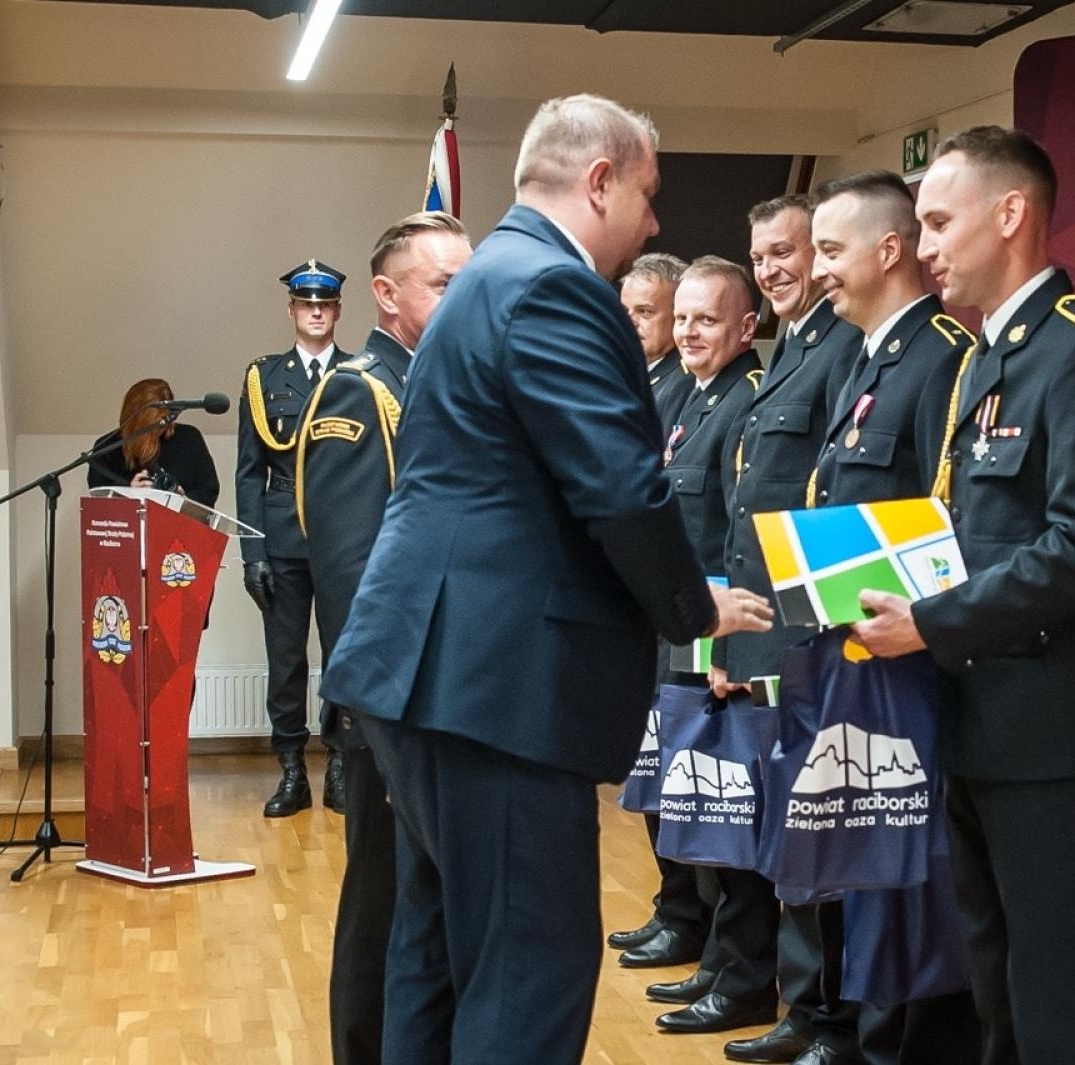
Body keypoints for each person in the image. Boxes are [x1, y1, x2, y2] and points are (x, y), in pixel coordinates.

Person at [318, 94, 773, 1064]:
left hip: (435, 668)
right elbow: (619, 487)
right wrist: (692, 610)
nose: (654, 223)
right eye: (647, 194)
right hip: (497, 680)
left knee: (438, 954)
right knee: (529, 967)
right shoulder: (553, 287)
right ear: (599, 180)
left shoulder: (491, 274)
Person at [852, 127, 1075, 1065]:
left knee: (1052, 969)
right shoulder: (985, 359)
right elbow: (967, 532)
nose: (925, 246)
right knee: (990, 958)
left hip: (1051, 719)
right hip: (978, 705)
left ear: (1011, 214)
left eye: (940, 222)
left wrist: (934, 621)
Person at [805, 170, 980, 1065]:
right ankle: (877, 1039)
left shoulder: (942, 353)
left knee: (916, 888)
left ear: (888, 249)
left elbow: (946, 526)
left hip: (912, 674)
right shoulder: (869, 357)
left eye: (830, 251)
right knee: (869, 877)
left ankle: (911, 1046)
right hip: (858, 663)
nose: (816, 269)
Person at [295, 211, 472, 1065]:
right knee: (380, 906)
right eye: (444, 282)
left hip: (443, 704)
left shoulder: (442, 382)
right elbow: (353, 569)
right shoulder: (360, 392)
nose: (462, 296)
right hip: (390, 706)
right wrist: (377, 708)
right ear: (386, 292)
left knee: (426, 910)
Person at [716, 192, 863, 1065]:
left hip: (809, 627)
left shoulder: (842, 345)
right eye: (761, 255)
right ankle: (805, 1007)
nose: (772, 269)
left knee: (815, 836)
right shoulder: (794, 349)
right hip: (772, 622)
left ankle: (829, 1020)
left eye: (787, 252)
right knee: (787, 834)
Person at [647, 256, 775, 1037]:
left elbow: (739, 534)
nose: (691, 332)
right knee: (698, 811)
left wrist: (730, 652)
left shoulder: (745, 402)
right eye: (684, 318)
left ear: (745, 327)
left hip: (720, 643)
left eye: (708, 320)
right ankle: (718, 961)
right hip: (684, 636)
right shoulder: (694, 399)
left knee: (731, 817)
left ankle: (744, 974)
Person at [607, 251, 719, 975]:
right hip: (640, 611)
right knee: (653, 767)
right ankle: (673, 904)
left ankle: (690, 912)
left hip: (678, 613)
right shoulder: (634, 383)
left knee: (682, 773)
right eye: (630, 310)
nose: (637, 324)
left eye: (649, 312)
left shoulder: (684, 389)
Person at [237, 258, 351, 817]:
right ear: (291, 311)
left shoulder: (362, 374)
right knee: (284, 663)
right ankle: (290, 771)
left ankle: (338, 767)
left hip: (343, 541)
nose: (314, 312)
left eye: (324, 304)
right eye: (306, 304)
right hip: (281, 541)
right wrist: (251, 553)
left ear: (336, 311)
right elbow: (248, 472)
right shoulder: (264, 379)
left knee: (342, 659)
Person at [87, 378, 220, 508]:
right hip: (127, 527)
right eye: (147, 425)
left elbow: (209, 491)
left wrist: (183, 500)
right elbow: (98, 503)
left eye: (160, 424)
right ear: (132, 419)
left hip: (180, 524)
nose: (153, 432)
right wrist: (128, 495)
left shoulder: (189, 438)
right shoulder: (108, 448)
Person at [621, 251, 696, 431]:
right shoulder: (623, 371)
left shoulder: (686, 382)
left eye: (645, 311)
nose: (629, 322)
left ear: (678, 315)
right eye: (624, 311)